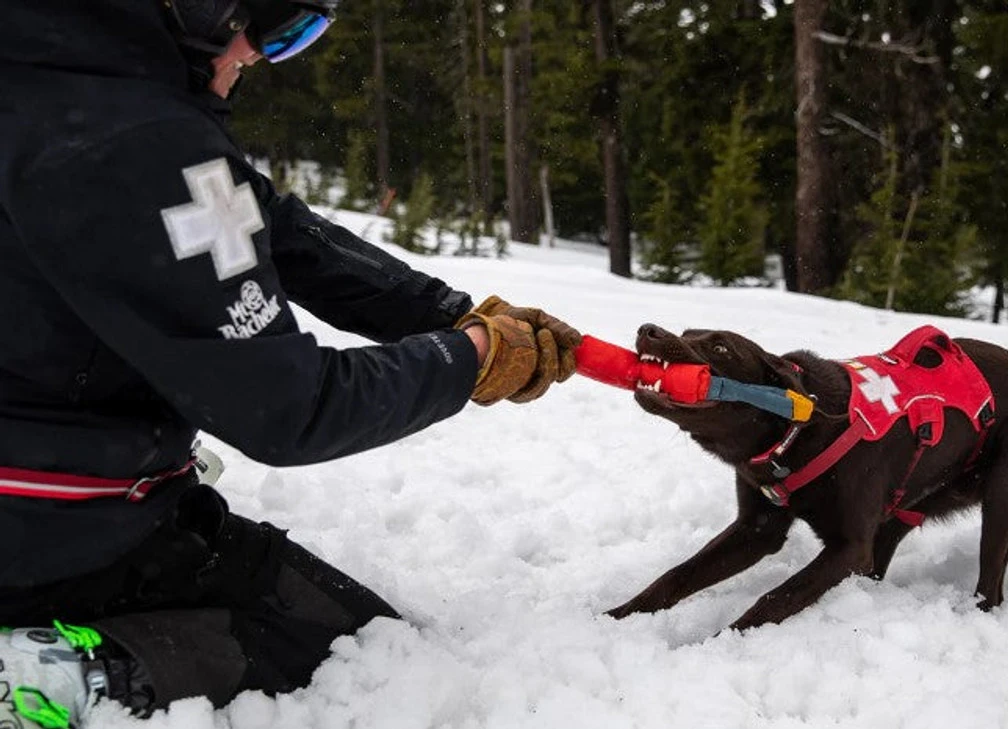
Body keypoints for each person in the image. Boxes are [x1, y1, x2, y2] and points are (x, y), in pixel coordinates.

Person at [0, 0, 582, 725]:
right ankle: (52, 674)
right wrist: (471, 357)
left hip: (54, 474)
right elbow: (290, 408)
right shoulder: (133, 135)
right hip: (56, 529)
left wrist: (444, 310)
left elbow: (272, 227)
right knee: (359, 649)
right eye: (278, 29)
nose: (263, 58)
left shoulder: (63, 80)